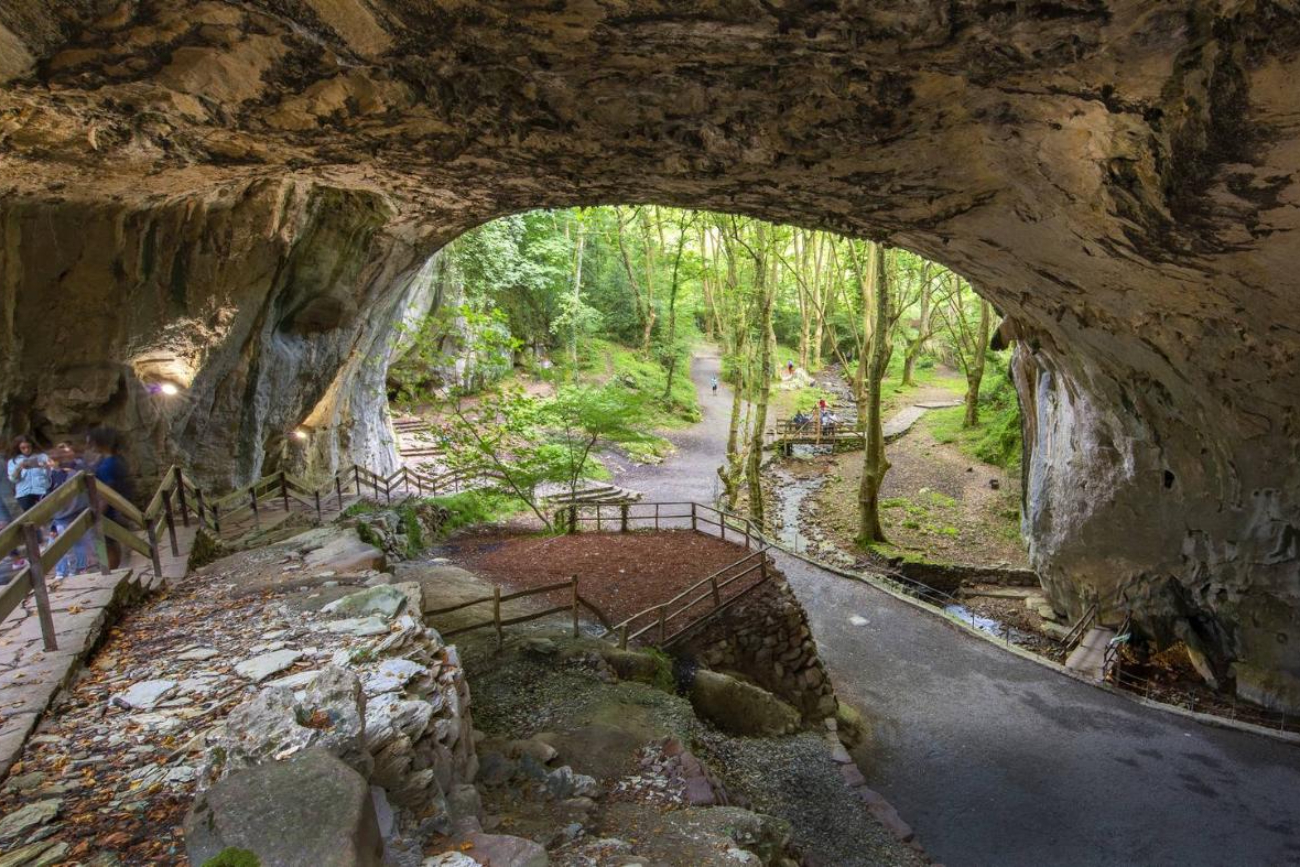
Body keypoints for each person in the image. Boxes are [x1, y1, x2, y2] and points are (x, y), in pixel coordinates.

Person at [86, 428, 130, 569]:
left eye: (91, 443)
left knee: (104, 543)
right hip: (116, 509)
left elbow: (107, 491)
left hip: (107, 512)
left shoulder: (107, 466)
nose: (89, 447)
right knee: (109, 543)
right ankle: (109, 568)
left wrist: (98, 512)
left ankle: (107, 570)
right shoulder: (116, 460)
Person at [48, 443, 90, 578]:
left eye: (50, 460)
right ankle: (73, 570)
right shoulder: (67, 473)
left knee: (65, 545)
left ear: (56, 462)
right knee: (71, 544)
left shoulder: (68, 474)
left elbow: (52, 498)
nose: (47, 463)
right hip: (68, 514)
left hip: (65, 514)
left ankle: (69, 571)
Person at [7, 436, 53, 514]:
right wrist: (19, 468)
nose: (27, 450)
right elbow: (13, 479)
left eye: (28, 447)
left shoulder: (42, 457)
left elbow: (52, 472)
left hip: (42, 490)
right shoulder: (13, 461)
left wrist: (44, 466)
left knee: (46, 514)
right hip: (24, 493)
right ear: (18, 448)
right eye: (23, 448)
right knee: (30, 517)